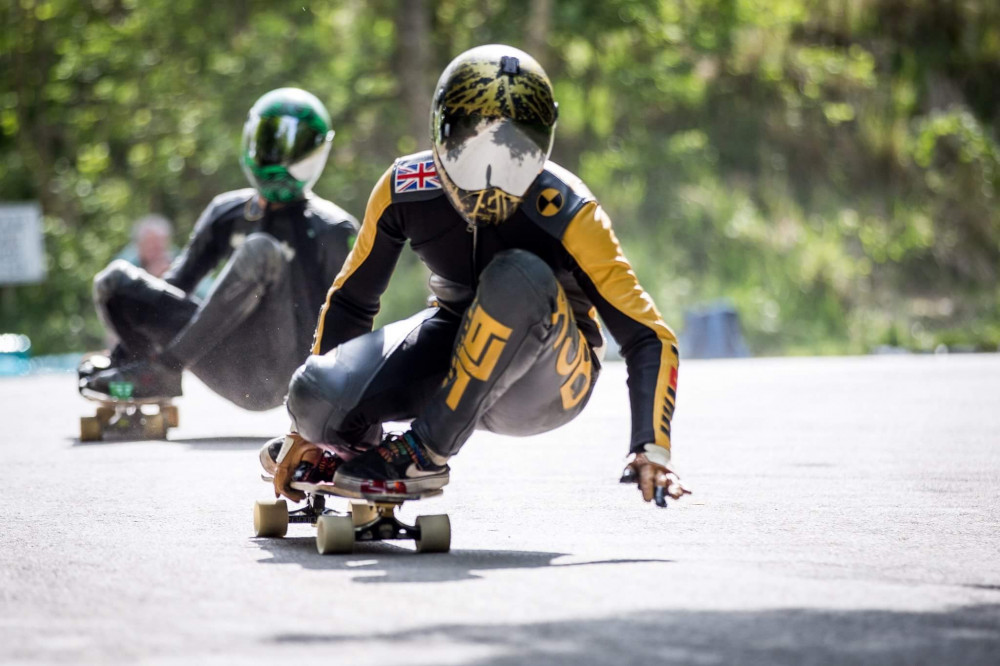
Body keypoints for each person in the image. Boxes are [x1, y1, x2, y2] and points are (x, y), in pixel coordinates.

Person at [265, 46, 689, 506]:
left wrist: (650, 447)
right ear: (440, 133)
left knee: (518, 273)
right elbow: (351, 301)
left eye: (516, 149)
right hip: (454, 335)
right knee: (311, 392)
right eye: (471, 144)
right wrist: (309, 432)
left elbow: (649, 336)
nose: (492, 175)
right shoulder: (402, 187)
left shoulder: (569, 209)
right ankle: (363, 449)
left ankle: (422, 452)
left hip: (548, 375)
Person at [79, 88, 358, 411]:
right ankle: (145, 375)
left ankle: (166, 368)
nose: (277, 159)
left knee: (260, 250)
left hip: (287, 372)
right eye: (269, 145)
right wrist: (123, 355)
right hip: (221, 359)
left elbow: (347, 323)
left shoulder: (334, 228)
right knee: (113, 281)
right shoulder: (225, 212)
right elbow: (174, 288)